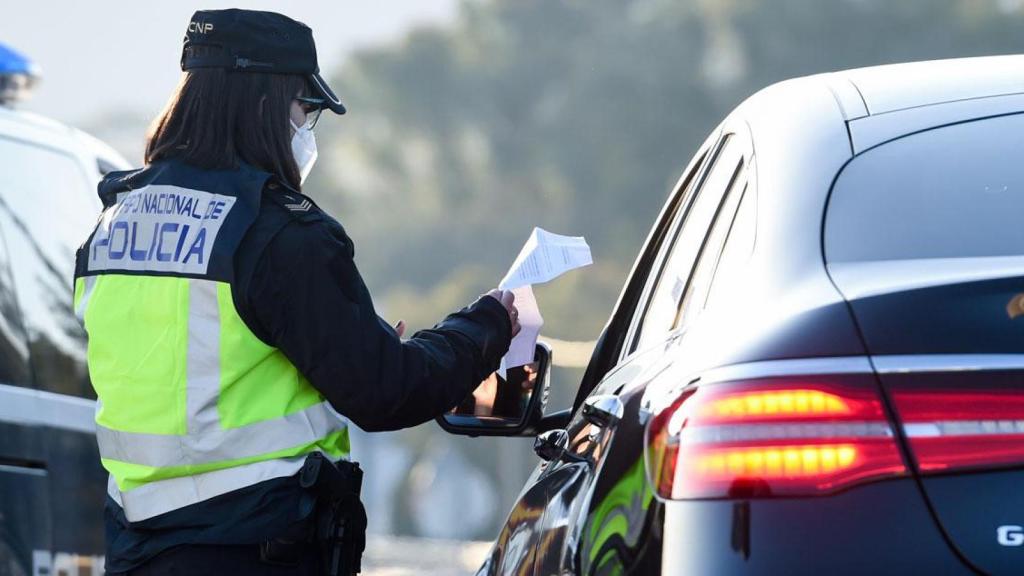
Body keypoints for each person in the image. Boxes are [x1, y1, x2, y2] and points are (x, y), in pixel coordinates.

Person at [72, 9, 520, 575]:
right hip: (255, 550)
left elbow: (198, 360)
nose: (305, 129)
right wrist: (487, 326)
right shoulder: (278, 232)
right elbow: (385, 391)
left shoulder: (111, 225)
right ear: (264, 104)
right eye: (305, 110)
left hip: (138, 551)